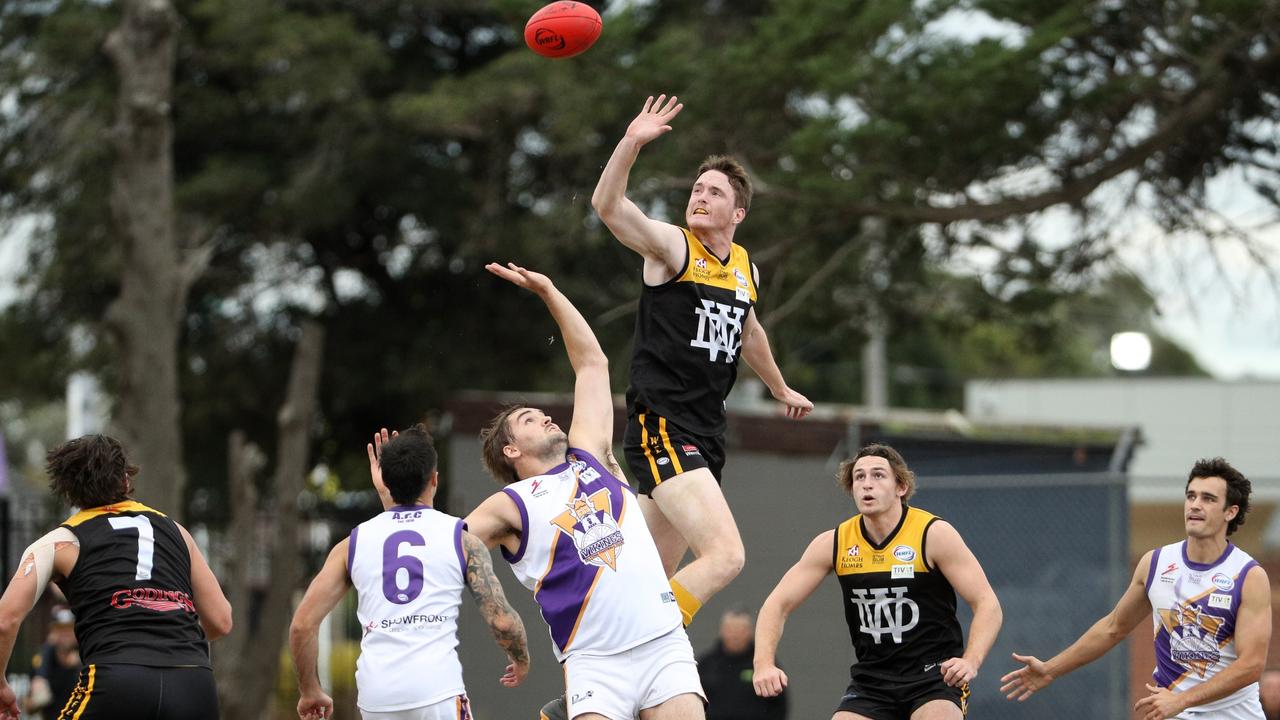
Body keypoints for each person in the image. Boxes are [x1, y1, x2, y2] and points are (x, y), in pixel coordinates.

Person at [591, 94, 814, 628]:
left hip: (706, 429)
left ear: (737, 212)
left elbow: (749, 330)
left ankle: (596, 675)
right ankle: (657, 640)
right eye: (696, 188)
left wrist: (780, 388)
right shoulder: (672, 247)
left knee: (643, 577)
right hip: (663, 422)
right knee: (725, 556)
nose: (700, 195)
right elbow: (607, 206)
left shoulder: (744, 269)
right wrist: (631, 143)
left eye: (714, 192)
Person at [464, 262, 706, 720]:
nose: (546, 417)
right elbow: (450, 545)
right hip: (594, 662)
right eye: (530, 420)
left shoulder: (588, 454)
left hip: (662, 643)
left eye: (542, 413)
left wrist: (550, 291)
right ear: (511, 449)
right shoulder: (511, 503)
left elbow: (592, 364)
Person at [1002, 457, 1272, 720]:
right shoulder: (1155, 564)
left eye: (1208, 499)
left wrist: (1181, 700)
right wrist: (1051, 669)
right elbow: (1112, 628)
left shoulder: (1248, 575)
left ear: (1230, 511)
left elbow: (1250, 665)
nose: (1195, 505)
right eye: (1191, 496)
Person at [290, 424, 529, 720]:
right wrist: (520, 659)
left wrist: (310, 689)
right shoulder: (460, 538)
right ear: (434, 479)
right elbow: (503, 621)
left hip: (378, 697)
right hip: (436, 690)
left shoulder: (352, 545)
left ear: (385, 483)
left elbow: (302, 625)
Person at [753, 444, 1003, 720]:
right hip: (872, 681)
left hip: (934, 678)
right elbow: (777, 605)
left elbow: (987, 604)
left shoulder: (932, 534)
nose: (866, 485)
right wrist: (763, 664)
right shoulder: (835, 542)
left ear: (901, 487)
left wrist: (970, 661)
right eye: (859, 477)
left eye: (878, 475)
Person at [0, 433, 233, 720]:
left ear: (69, 491)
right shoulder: (178, 533)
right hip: (194, 683)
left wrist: (1, 685)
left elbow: (5, 619)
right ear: (125, 479)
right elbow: (221, 621)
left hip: (117, 679)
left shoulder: (61, 541)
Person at [698, 606, 786, 720]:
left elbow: (779, 706)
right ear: (721, 630)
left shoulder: (764, 664)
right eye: (730, 629)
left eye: (741, 630)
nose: (735, 635)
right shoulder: (706, 664)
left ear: (751, 631)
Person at [23, 605, 81, 719]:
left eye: (69, 629)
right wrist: (36, 700)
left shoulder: (87, 658)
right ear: (53, 632)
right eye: (60, 629)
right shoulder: (43, 659)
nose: (65, 634)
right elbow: (28, 707)